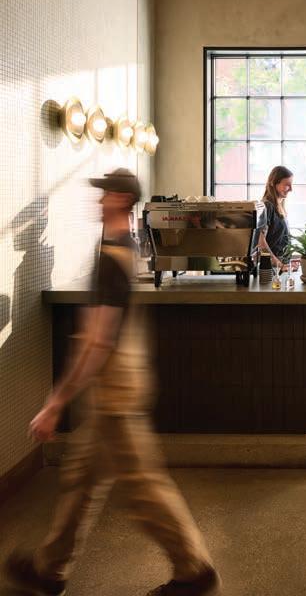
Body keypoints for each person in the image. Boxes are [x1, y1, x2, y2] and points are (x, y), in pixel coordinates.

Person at [4, 169, 219, 596]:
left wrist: (55, 403)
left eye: (104, 195)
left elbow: (98, 341)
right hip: (116, 385)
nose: (98, 201)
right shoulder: (121, 245)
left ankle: (194, 570)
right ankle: (49, 569)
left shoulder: (113, 258)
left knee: (143, 489)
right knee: (80, 481)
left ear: (120, 199)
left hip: (115, 393)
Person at [257, 165, 294, 269]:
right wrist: (278, 264)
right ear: (273, 183)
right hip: (274, 268)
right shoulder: (267, 206)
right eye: (287, 185)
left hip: (282, 265)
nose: (291, 189)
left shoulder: (279, 205)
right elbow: (261, 241)